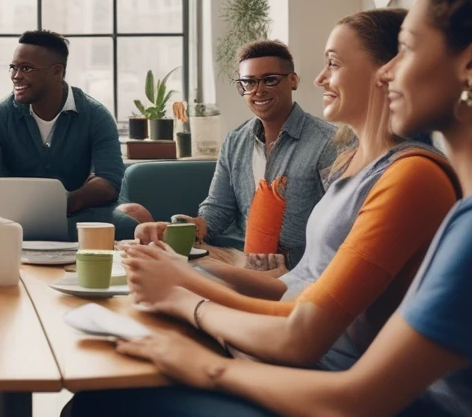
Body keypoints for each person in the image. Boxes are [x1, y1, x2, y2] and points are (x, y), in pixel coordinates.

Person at [65, 0, 472, 417]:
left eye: (405, 49)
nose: (387, 73)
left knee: (98, 410)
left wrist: (198, 349)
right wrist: (194, 286)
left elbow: (346, 407)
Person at [115, 9, 461, 376]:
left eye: (333, 63)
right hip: (279, 331)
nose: (319, 78)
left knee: (103, 407)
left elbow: (305, 329)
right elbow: (299, 287)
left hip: (315, 368)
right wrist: (187, 267)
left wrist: (185, 291)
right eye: (249, 83)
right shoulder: (348, 160)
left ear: (388, 71)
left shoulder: (407, 174)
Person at [125, 40, 338, 271]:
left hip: (300, 267)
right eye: (248, 82)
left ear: (293, 80)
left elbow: (339, 224)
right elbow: (219, 209)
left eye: (270, 80)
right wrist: (195, 226)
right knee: (150, 261)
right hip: (242, 259)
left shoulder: (328, 142)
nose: (258, 90)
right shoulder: (235, 141)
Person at [0, 30, 135, 240]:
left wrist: (64, 204)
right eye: (14, 67)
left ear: (57, 71)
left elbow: (109, 182)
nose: (15, 76)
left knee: (130, 220)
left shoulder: (96, 116)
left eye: (26, 68)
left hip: (77, 214)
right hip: (13, 220)